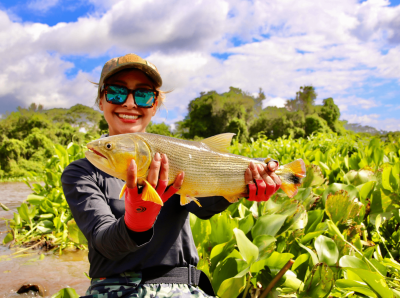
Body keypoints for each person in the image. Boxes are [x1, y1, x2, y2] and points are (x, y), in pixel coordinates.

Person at [61, 53, 281, 298]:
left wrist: (254, 179)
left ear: (154, 106)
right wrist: (137, 222)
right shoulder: (81, 172)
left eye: (143, 94)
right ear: (101, 100)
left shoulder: (170, 157)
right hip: (111, 289)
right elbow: (103, 241)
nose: (130, 103)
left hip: (181, 288)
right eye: (116, 92)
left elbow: (204, 206)